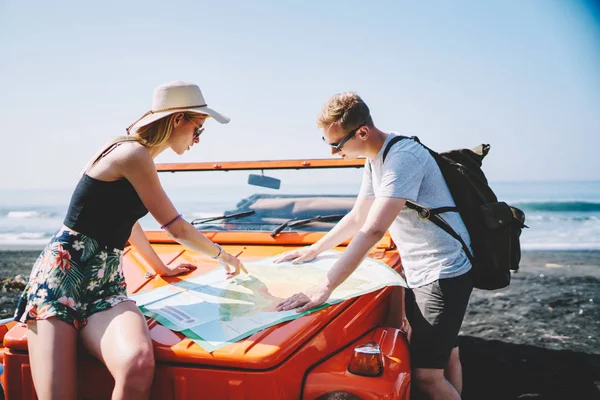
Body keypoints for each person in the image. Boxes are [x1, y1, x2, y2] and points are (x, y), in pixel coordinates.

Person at [14, 81, 247, 400]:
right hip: (61, 279)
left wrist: (160, 268)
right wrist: (224, 256)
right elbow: (176, 228)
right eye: (199, 129)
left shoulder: (134, 152)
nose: (197, 139)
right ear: (178, 119)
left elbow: (126, 220)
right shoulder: (132, 153)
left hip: (106, 284)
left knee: (136, 365)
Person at [275, 92, 473, 400]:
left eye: (336, 144)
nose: (332, 152)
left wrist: (324, 287)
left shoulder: (403, 157)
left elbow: (374, 228)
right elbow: (358, 216)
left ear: (362, 132)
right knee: (446, 355)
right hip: (422, 269)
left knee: (426, 377)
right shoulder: (375, 159)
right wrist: (314, 249)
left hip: (443, 271)